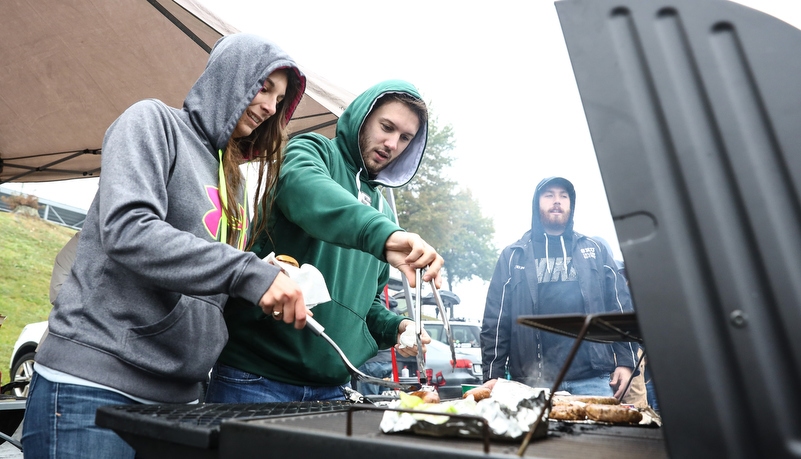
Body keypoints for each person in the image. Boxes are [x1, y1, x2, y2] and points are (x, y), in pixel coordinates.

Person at [22, 33, 308, 458]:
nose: (270, 106)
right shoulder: (152, 121)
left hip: (181, 402)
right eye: (264, 87)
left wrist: (261, 281)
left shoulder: (232, 182)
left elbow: (208, 276)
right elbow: (128, 228)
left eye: (280, 99)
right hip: (93, 389)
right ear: (230, 77)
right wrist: (246, 271)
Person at [205, 80, 444, 403]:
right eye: (386, 127)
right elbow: (305, 188)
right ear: (362, 117)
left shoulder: (383, 213)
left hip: (332, 391)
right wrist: (384, 234)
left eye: (405, 138)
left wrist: (398, 327)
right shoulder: (312, 151)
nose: (392, 144)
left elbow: (365, 306)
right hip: (255, 380)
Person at [481, 177, 637, 398]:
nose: (557, 201)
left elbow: (620, 307)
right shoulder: (514, 254)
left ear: (571, 205)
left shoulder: (595, 250)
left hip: (592, 380)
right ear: (537, 203)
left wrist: (626, 362)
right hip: (531, 384)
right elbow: (495, 321)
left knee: (598, 434)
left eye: (563, 196)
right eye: (549, 195)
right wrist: (492, 374)